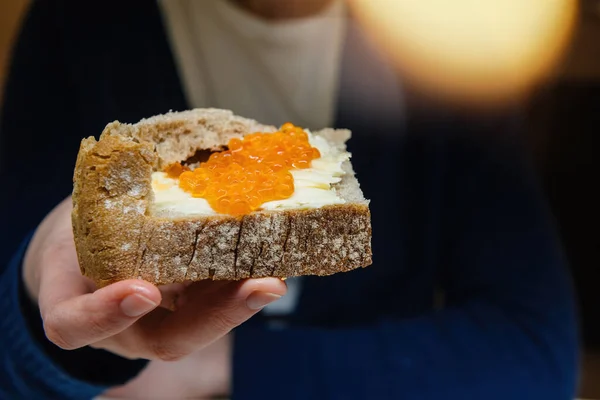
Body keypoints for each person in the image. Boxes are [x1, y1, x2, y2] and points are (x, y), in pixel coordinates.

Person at [0, 0, 578, 399]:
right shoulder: (85, 22)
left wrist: (213, 368)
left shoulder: (450, 49)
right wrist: (34, 280)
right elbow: (18, 355)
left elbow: (533, 354)